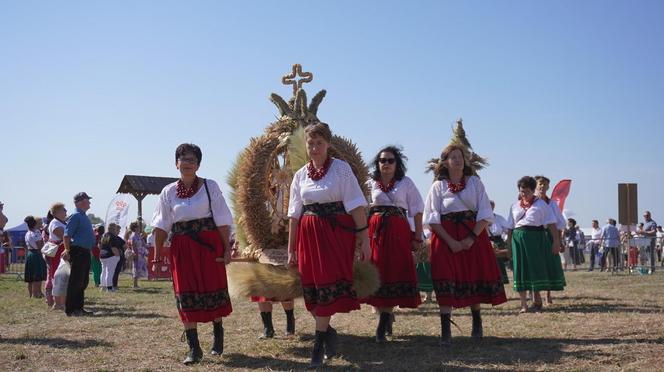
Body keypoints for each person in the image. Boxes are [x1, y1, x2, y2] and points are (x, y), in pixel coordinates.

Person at [287, 123, 370, 367]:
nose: (314, 148)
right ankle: (328, 332)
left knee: (327, 288)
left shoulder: (341, 170)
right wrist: (291, 249)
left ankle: (318, 344)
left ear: (328, 144)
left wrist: (364, 240)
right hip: (309, 237)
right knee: (312, 292)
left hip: (336, 237)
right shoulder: (300, 175)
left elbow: (356, 206)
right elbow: (294, 215)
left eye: (319, 143)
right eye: (310, 143)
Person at [152, 143, 233, 365]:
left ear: (198, 164)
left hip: (208, 245)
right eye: (183, 159)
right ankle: (194, 348)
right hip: (182, 248)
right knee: (185, 293)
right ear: (176, 163)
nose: (187, 163)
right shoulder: (168, 192)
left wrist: (227, 249)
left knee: (212, 289)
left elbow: (223, 220)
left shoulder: (210, 186)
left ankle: (218, 331)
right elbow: (161, 226)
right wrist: (158, 255)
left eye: (192, 159)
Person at [423, 144, 506, 347]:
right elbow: (432, 218)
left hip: (473, 236)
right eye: (453, 157)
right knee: (445, 277)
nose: (457, 160)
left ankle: (476, 321)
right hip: (445, 238)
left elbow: (485, 214)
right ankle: (446, 330)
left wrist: (470, 238)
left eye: (460, 156)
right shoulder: (438, 187)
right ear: (445, 162)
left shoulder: (475, 183)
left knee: (472, 275)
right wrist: (450, 241)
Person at [365, 145, 424, 342]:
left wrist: (417, 237)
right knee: (378, 271)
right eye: (383, 160)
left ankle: (383, 322)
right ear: (377, 163)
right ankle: (386, 314)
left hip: (398, 232)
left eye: (391, 160)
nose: (386, 164)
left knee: (394, 271)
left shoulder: (406, 183)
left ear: (397, 163)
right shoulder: (370, 183)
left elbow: (417, 210)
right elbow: (363, 208)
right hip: (376, 232)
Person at [506, 176, 565, 313]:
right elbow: (510, 227)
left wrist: (556, 241)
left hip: (535, 238)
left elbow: (551, 224)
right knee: (520, 269)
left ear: (533, 190)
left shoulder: (541, 205)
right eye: (521, 191)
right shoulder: (514, 206)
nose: (523, 194)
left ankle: (537, 299)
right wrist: (509, 245)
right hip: (518, 239)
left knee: (534, 268)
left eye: (526, 191)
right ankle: (523, 304)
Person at [534, 175, 565, 307]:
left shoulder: (552, 204)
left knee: (548, 264)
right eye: (539, 183)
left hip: (548, 235)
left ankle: (548, 295)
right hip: (534, 235)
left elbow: (559, 223)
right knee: (535, 265)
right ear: (535, 185)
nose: (542, 186)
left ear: (548, 187)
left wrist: (559, 241)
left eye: (545, 184)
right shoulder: (531, 202)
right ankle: (535, 295)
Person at [62, 192, 95, 317]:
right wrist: (67, 250)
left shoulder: (83, 216)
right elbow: (67, 235)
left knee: (83, 281)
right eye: (88, 200)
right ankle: (71, 309)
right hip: (78, 251)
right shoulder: (75, 216)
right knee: (76, 281)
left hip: (84, 252)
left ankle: (79, 308)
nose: (90, 203)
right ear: (81, 202)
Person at [45, 203, 67, 307]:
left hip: (61, 250)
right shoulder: (55, 223)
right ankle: (57, 302)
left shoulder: (61, 222)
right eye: (63, 209)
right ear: (56, 212)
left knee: (62, 275)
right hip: (58, 250)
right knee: (57, 275)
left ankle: (60, 301)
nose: (66, 211)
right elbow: (64, 237)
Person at [488, 200, 511, 285]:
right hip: (486, 241)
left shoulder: (499, 218)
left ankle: (501, 281)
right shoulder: (481, 219)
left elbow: (508, 230)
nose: (490, 208)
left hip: (498, 241)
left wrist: (506, 240)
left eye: (491, 206)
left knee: (499, 262)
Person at [24, 216, 46, 298]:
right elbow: (39, 245)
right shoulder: (36, 232)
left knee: (30, 275)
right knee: (37, 275)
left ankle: (31, 294)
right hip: (37, 253)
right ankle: (37, 294)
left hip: (30, 254)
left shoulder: (27, 233)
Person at [100, 223, 123, 292]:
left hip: (103, 255)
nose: (117, 230)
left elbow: (100, 246)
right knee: (110, 272)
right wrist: (118, 255)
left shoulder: (103, 235)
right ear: (114, 229)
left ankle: (103, 287)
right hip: (111, 256)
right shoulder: (113, 236)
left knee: (103, 271)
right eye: (116, 229)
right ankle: (109, 288)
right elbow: (113, 248)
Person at [128, 221, 148, 288]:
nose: (140, 228)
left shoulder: (138, 235)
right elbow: (133, 246)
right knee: (136, 268)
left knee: (139, 268)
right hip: (136, 253)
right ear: (135, 228)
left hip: (141, 253)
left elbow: (143, 244)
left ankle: (136, 284)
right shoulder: (133, 236)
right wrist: (136, 255)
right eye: (138, 227)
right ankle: (135, 284)